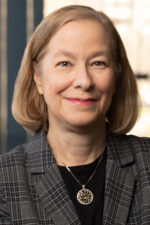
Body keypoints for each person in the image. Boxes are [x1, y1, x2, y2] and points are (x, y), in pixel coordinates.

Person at [0, 4, 150, 225]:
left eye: (98, 63)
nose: (84, 81)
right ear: (38, 77)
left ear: (116, 76)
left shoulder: (146, 162)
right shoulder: (5, 180)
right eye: (64, 64)